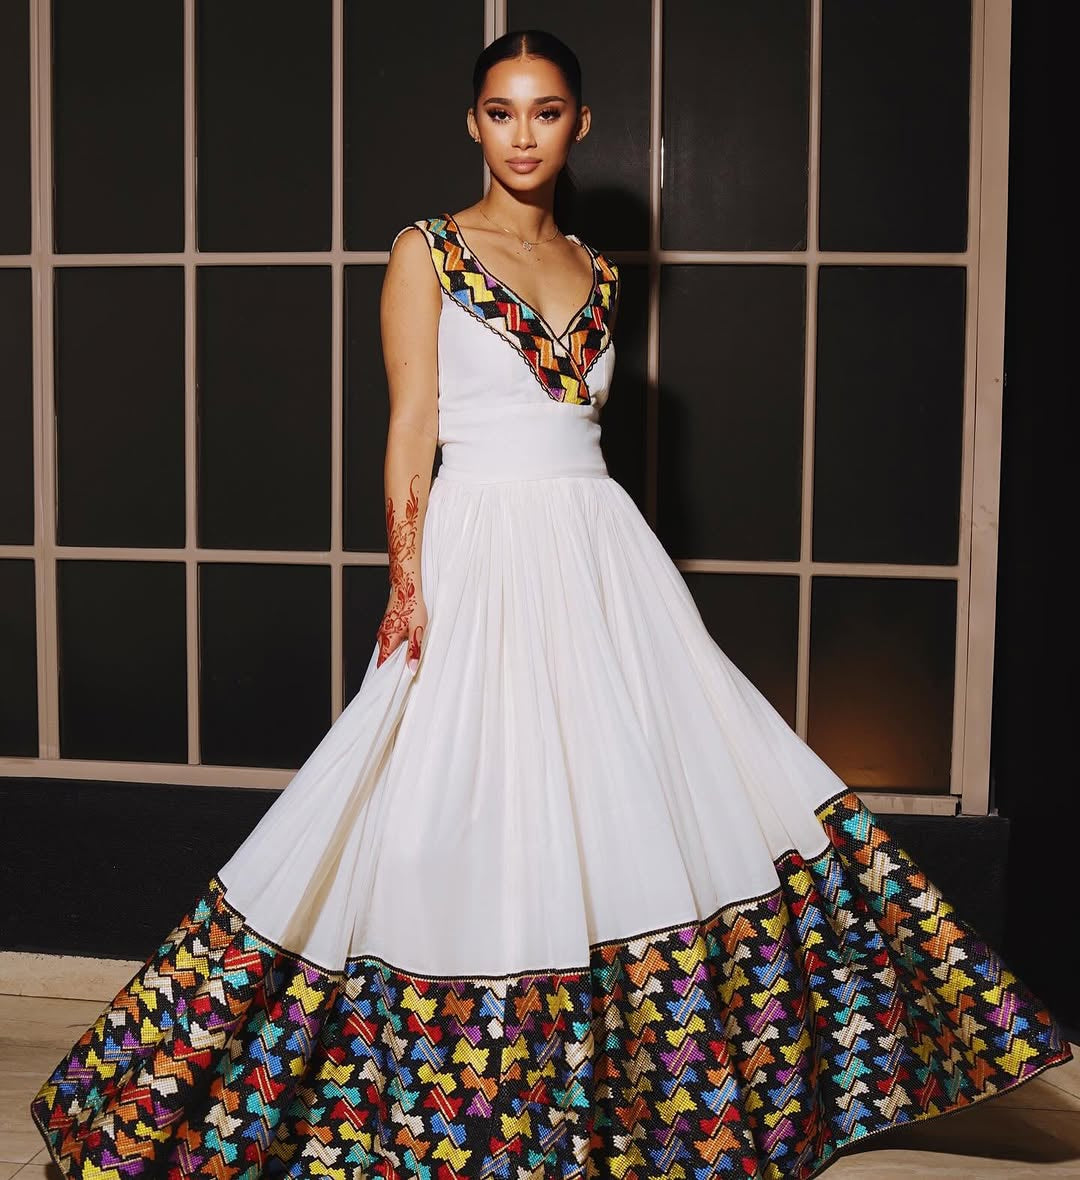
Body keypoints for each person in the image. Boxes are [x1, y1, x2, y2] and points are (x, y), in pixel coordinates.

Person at [31, 27, 1072, 1180]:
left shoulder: (600, 269)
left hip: (602, 553)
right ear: (472, 123)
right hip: (480, 547)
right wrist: (408, 579)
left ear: (580, 125)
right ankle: (359, 1092)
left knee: (669, 789)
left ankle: (674, 1095)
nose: (521, 135)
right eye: (500, 111)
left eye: (544, 111)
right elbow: (411, 427)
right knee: (444, 801)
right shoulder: (426, 251)